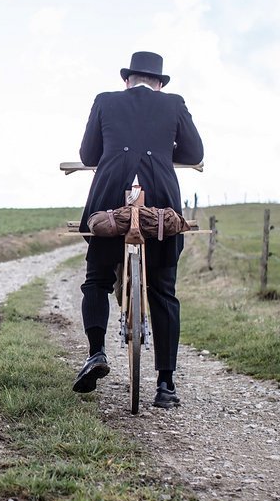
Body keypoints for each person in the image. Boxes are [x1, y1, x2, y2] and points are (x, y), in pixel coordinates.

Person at [73, 51, 204, 409]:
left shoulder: (105, 101)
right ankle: (165, 385)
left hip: (110, 194)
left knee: (97, 279)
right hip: (160, 200)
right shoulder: (174, 103)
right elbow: (194, 153)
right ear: (159, 84)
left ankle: (96, 352)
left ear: (127, 80)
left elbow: (87, 155)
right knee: (163, 289)